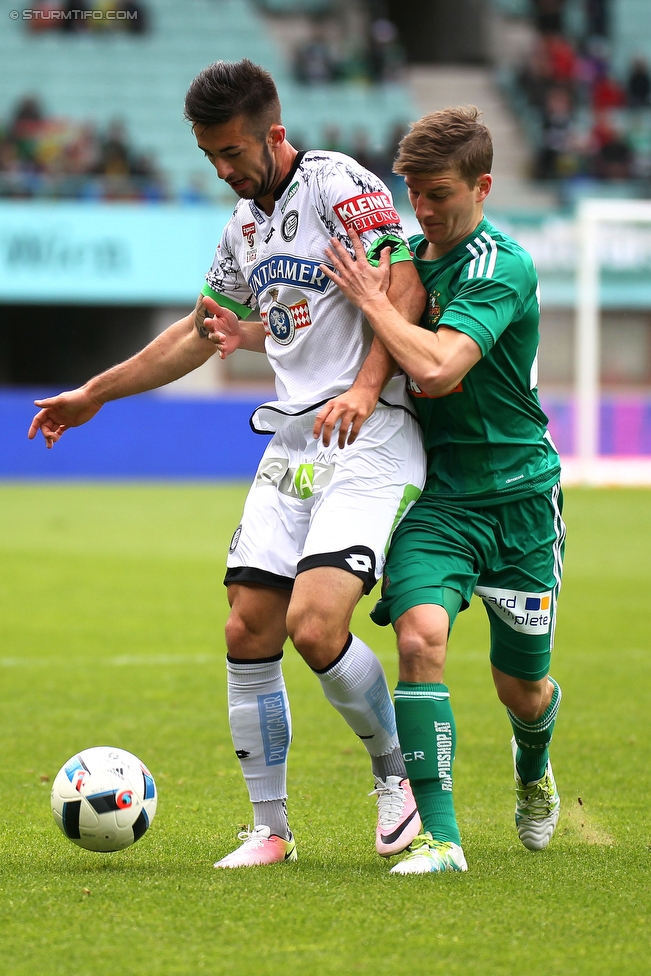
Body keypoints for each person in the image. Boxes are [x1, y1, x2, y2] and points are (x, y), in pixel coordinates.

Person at [28, 59, 426, 868]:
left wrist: (365, 383)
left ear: (274, 134)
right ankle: (270, 830)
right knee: (248, 627)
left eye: (233, 152)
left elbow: (404, 283)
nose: (222, 170)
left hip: (369, 431)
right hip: (293, 444)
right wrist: (96, 392)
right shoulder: (243, 225)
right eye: (209, 155)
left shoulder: (337, 185)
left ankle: (397, 777)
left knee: (317, 628)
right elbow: (197, 329)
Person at [321, 106, 565, 875]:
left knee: (519, 688)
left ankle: (532, 765)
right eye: (413, 193)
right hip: (443, 500)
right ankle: (442, 839)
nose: (422, 210)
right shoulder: (405, 263)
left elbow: (436, 368)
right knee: (420, 637)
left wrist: (372, 304)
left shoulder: (501, 265)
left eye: (438, 194)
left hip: (523, 500)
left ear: (482, 186)